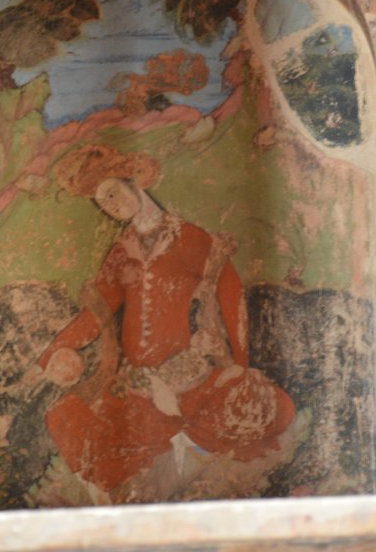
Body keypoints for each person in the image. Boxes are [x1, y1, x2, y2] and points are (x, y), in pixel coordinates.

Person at [31, 144, 295, 497]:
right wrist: (51, 354)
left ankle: (188, 445)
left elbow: (231, 296)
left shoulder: (188, 237)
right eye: (103, 202)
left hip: (191, 375)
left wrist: (238, 362)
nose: (112, 204)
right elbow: (96, 312)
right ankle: (149, 466)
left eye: (114, 192)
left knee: (270, 408)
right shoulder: (121, 251)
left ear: (133, 182)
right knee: (65, 416)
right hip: (137, 384)